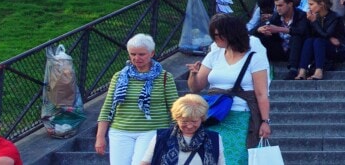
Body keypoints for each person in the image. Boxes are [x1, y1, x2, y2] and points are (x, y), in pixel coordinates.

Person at [185, 14, 271, 165]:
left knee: (234, 159)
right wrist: (193, 74)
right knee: (210, 158)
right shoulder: (214, 55)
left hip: (240, 115)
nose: (216, 38)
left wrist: (265, 121)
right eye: (214, 35)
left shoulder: (254, 57)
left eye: (219, 35)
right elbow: (196, 87)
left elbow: (261, 93)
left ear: (232, 34)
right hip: (213, 115)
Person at [96, 34, 179, 165]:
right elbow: (107, 107)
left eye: (141, 54)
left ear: (152, 53)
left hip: (152, 130)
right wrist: (100, 137)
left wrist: (177, 134)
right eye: (133, 54)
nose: (136, 58)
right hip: (120, 131)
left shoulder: (165, 77)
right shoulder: (119, 76)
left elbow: (175, 108)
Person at [134, 95, 219, 165]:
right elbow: (145, 163)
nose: (189, 126)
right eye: (184, 121)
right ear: (176, 118)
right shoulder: (161, 136)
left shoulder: (214, 138)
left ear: (202, 118)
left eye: (194, 121)